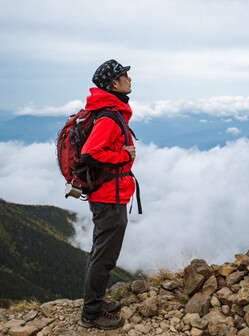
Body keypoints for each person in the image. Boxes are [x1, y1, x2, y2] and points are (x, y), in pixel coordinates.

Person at [79, 59, 137, 330]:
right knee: (104, 256)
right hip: (107, 196)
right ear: (115, 83)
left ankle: (97, 302)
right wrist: (122, 155)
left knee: (101, 252)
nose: (130, 79)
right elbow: (90, 153)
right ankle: (92, 313)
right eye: (125, 75)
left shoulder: (110, 111)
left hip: (110, 193)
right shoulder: (109, 116)